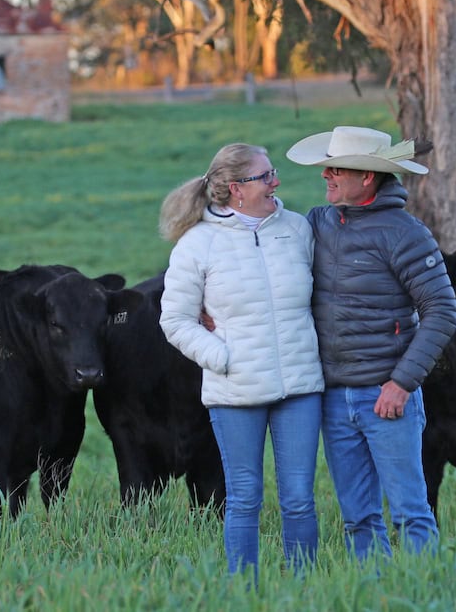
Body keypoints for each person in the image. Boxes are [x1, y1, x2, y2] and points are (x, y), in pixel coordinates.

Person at [284, 125, 456, 561]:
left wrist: (401, 383)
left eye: (336, 168)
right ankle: (372, 594)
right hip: (333, 396)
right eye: (326, 167)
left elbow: (443, 311)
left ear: (367, 177)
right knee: (357, 518)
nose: (326, 174)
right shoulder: (318, 223)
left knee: (410, 514)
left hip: (386, 396)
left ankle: (424, 593)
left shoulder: (406, 234)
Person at [158, 143, 325, 584]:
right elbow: (174, 319)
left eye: (273, 174)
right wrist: (222, 358)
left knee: (299, 499)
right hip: (234, 392)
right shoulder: (198, 244)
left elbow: (322, 296)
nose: (276, 182)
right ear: (236, 189)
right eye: (265, 176)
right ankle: (243, 589)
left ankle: (302, 587)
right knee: (245, 497)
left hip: (301, 387)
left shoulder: (297, 229)